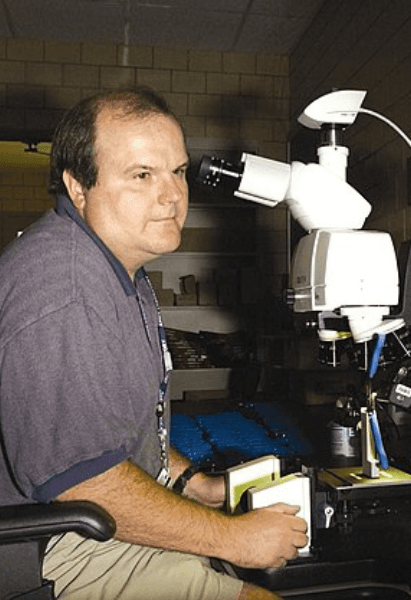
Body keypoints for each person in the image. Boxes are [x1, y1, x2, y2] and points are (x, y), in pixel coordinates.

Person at [0, 87, 307, 600]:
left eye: (178, 172)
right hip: (53, 544)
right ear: (79, 187)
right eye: (142, 175)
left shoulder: (119, 268)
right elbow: (84, 479)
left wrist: (194, 486)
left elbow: (125, 431)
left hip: (89, 518)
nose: (172, 196)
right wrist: (236, 539)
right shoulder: (65, 290)